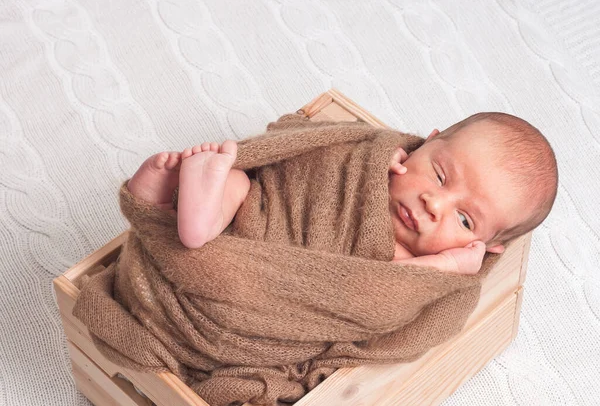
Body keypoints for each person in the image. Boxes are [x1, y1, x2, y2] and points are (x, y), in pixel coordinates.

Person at [126, 112, 558, 275]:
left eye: (465, 220)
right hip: (268, 209)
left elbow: (389, 295)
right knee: (242, 186)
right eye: (440, 176)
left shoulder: (420, 261)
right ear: (426, 142)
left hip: (269, 271)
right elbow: (326, 146)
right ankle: (190, 206)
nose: (433, 204)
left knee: (214, 257)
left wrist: (447, 265)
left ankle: (170, 213)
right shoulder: (386, 158)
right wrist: (373, 157)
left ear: (489, 247)